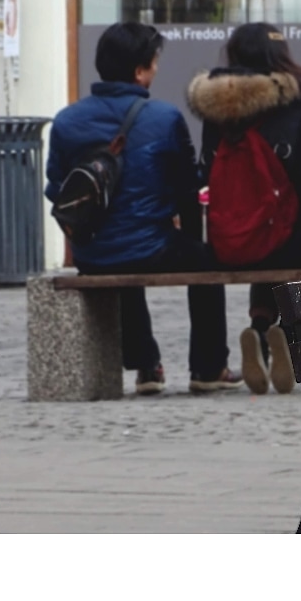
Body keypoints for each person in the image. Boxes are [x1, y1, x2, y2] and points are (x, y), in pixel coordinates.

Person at [45, 22, 242, 396]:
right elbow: (187, 186)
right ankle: (208, 366)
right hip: (152, 248)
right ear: (139, 71)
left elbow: (56, 188)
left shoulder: (67, 120)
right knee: (203, 260)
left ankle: (146, 365)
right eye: (154, 62)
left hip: (92, 253)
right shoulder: (163, 118)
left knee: (118, 246)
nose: (156, 68)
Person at [187, 23, 301, 396]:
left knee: (257, 234)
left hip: (225, 241)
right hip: (284, 240)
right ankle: (286, 335)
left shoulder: (214, 111)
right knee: (288, 231)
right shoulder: (295, 105)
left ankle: (258, 330)